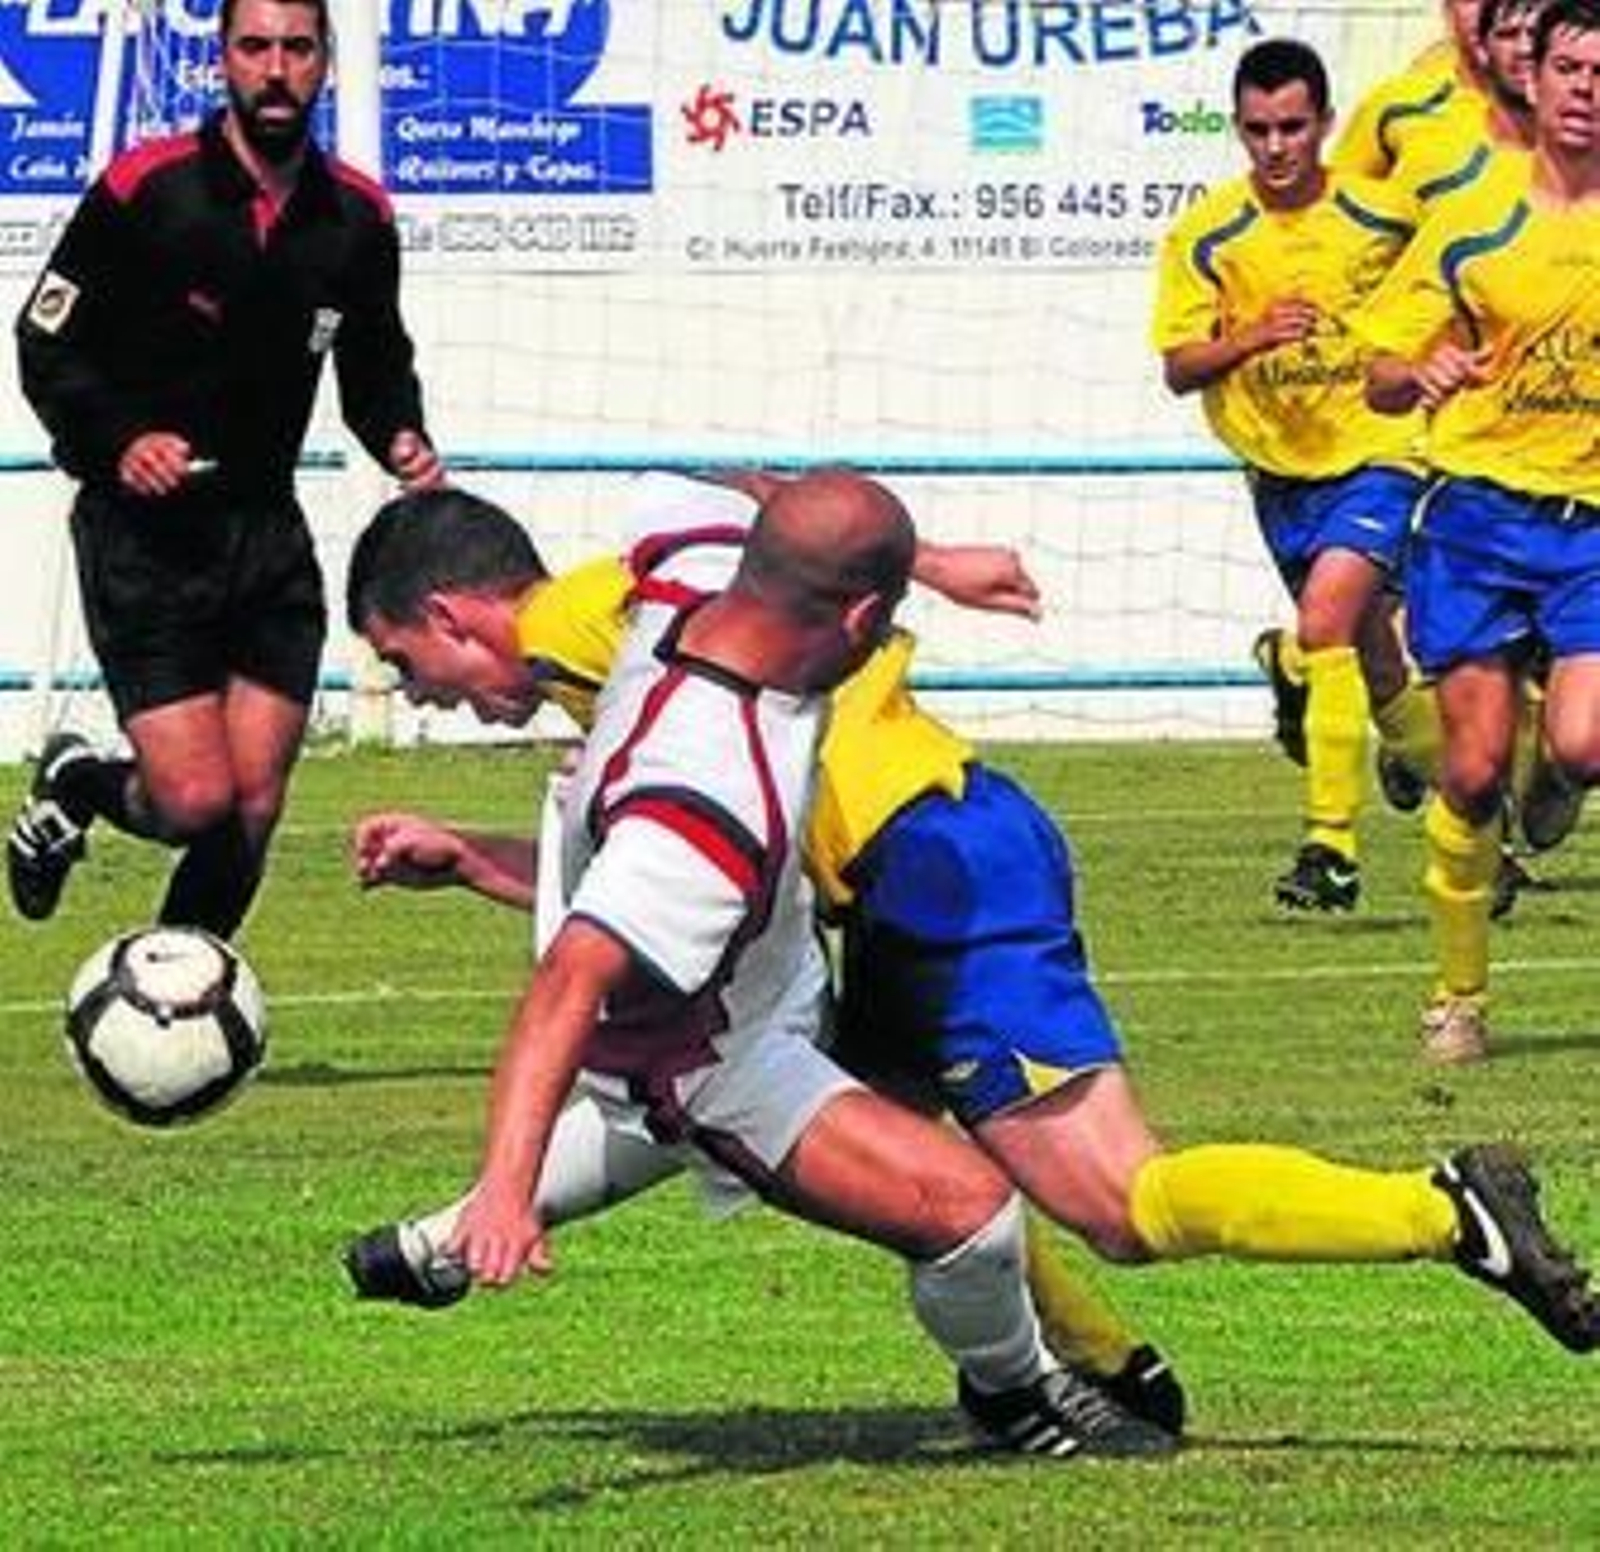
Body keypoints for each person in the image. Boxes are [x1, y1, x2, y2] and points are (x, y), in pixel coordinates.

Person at [342, 479, 1599, 1424]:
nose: (438, 697)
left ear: (452, 614)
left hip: (934, 871)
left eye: (411, 664)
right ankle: (1096, 1366)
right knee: (817, 1125)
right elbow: (774, 512)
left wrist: (916, 574)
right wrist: (932, 563)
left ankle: (1437, 1211)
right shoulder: (674, 551)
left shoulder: (580, 625)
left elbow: (617, 913)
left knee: (1117, 1198)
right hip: (906, 867)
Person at [357, 471, 1179, 1461]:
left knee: (878, 1136)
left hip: (763, 966)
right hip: (721, 1058)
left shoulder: (691, 575)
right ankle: (1017, 1389)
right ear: (860, 619)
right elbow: (569, 979)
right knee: (971, 1213)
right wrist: (504, 1184)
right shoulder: (710, 783)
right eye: (889, 616)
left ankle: (438, 1243)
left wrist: (927, 562)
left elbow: (755, 505)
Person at [8, 0, 441, 939]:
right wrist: (122, 440)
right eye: (255, 47)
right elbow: (45, 342)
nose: (276, 69)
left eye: (297, 48)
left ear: (325, 61)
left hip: (268, 538)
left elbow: (376, 361)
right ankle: (78, 782)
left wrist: (402, 436)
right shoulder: (146, 188)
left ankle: (175, 994)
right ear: (223, 60)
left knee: (252, 807)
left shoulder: (357, 216)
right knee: (196, 800)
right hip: (144, 543)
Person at [1361, 0, 1600, 1062]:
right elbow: (1378, 375)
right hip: (1476, 521)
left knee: (1586, 742)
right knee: (1467, 772)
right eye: (1570, 69)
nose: (1586, 90)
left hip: (1591, 526)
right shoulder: (1470, 216)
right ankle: (1457, 998)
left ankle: (1556, 774)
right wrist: (1421, 369)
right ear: (1531, 81)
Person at [1152, 38, 1441, 913]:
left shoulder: (1388, 217)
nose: (1276, 147)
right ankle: (1478, 810)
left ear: (1323, 123)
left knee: (1326, 621)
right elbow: (1180, 366)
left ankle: (1331, 848)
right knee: (1375, 663)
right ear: (1239, 129)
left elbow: (1455, 286)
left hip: (1381, 452)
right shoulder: (1210, 233)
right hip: (1280, 468)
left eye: (1292, 127)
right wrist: (1251, 336)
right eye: (1258, 130)